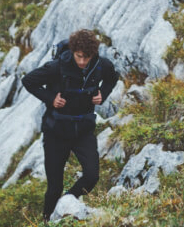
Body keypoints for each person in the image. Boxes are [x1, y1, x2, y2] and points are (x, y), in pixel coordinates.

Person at [22, 29, 119, 221]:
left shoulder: (101, 65)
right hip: (56, 132)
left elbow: (112, 78)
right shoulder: (57, 67)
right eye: (79, 56)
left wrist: (103, 94)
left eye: (86, 57)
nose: (82, 61)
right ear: (73, 51)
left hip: (83, 131)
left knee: (92, 176)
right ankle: (47, 221)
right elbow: (28, 81)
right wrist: (51, 98)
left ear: (93, 54)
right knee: (54, 187)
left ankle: (66, 204)